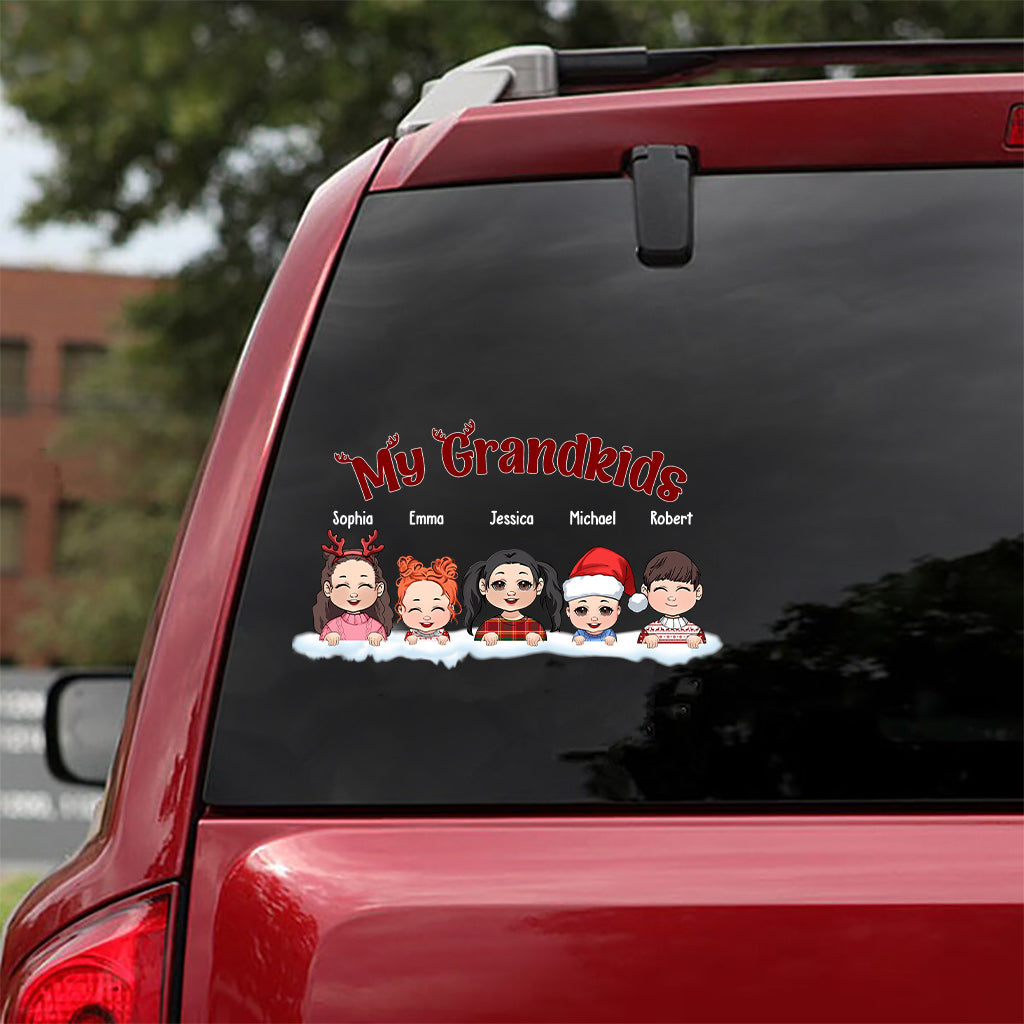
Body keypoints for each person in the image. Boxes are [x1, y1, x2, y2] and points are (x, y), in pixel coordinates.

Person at [463, 548, 560, 646]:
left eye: (523, 584)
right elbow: (475, 650)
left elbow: (545, 650)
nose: (511, 592)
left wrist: (538, 638)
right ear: (483, 586)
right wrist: (484, 638)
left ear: (539, 586)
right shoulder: (487, 626)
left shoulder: (535, 627)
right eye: (499, 585)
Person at [312, 530, 392, 646]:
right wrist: (327, 638)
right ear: (328, 589)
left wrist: (379, 639)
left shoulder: (376, 628)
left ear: (378, 589)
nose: (353, 594)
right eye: (343, 586)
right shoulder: (331, 627)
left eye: (363, 585)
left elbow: (385, 650)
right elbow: (321, 651)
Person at [562, 546, 648, 645]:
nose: (594, 618)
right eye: (581, 611)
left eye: (605, 610)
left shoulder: (609, 633)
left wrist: (611, 640)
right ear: (568, 611)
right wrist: (577, 639)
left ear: (618, 610)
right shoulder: (579, 633)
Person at [637, 550, 706, 649]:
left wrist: (698, 642)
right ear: (645, 591)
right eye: (661, 589)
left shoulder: (695, 631)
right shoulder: (649, 631)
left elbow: (708, 654)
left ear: (698, 592)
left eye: (682, 589)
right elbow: (639, 652)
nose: (672, 597)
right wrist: (646, 641)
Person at [394, 555, 460, 644]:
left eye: (437, 608)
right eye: (415, 609)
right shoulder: (410, 634)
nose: (426, 617)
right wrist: (410, 640)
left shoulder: (443, 633)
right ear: (401, 609)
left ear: (451, 609)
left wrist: (444, 640)